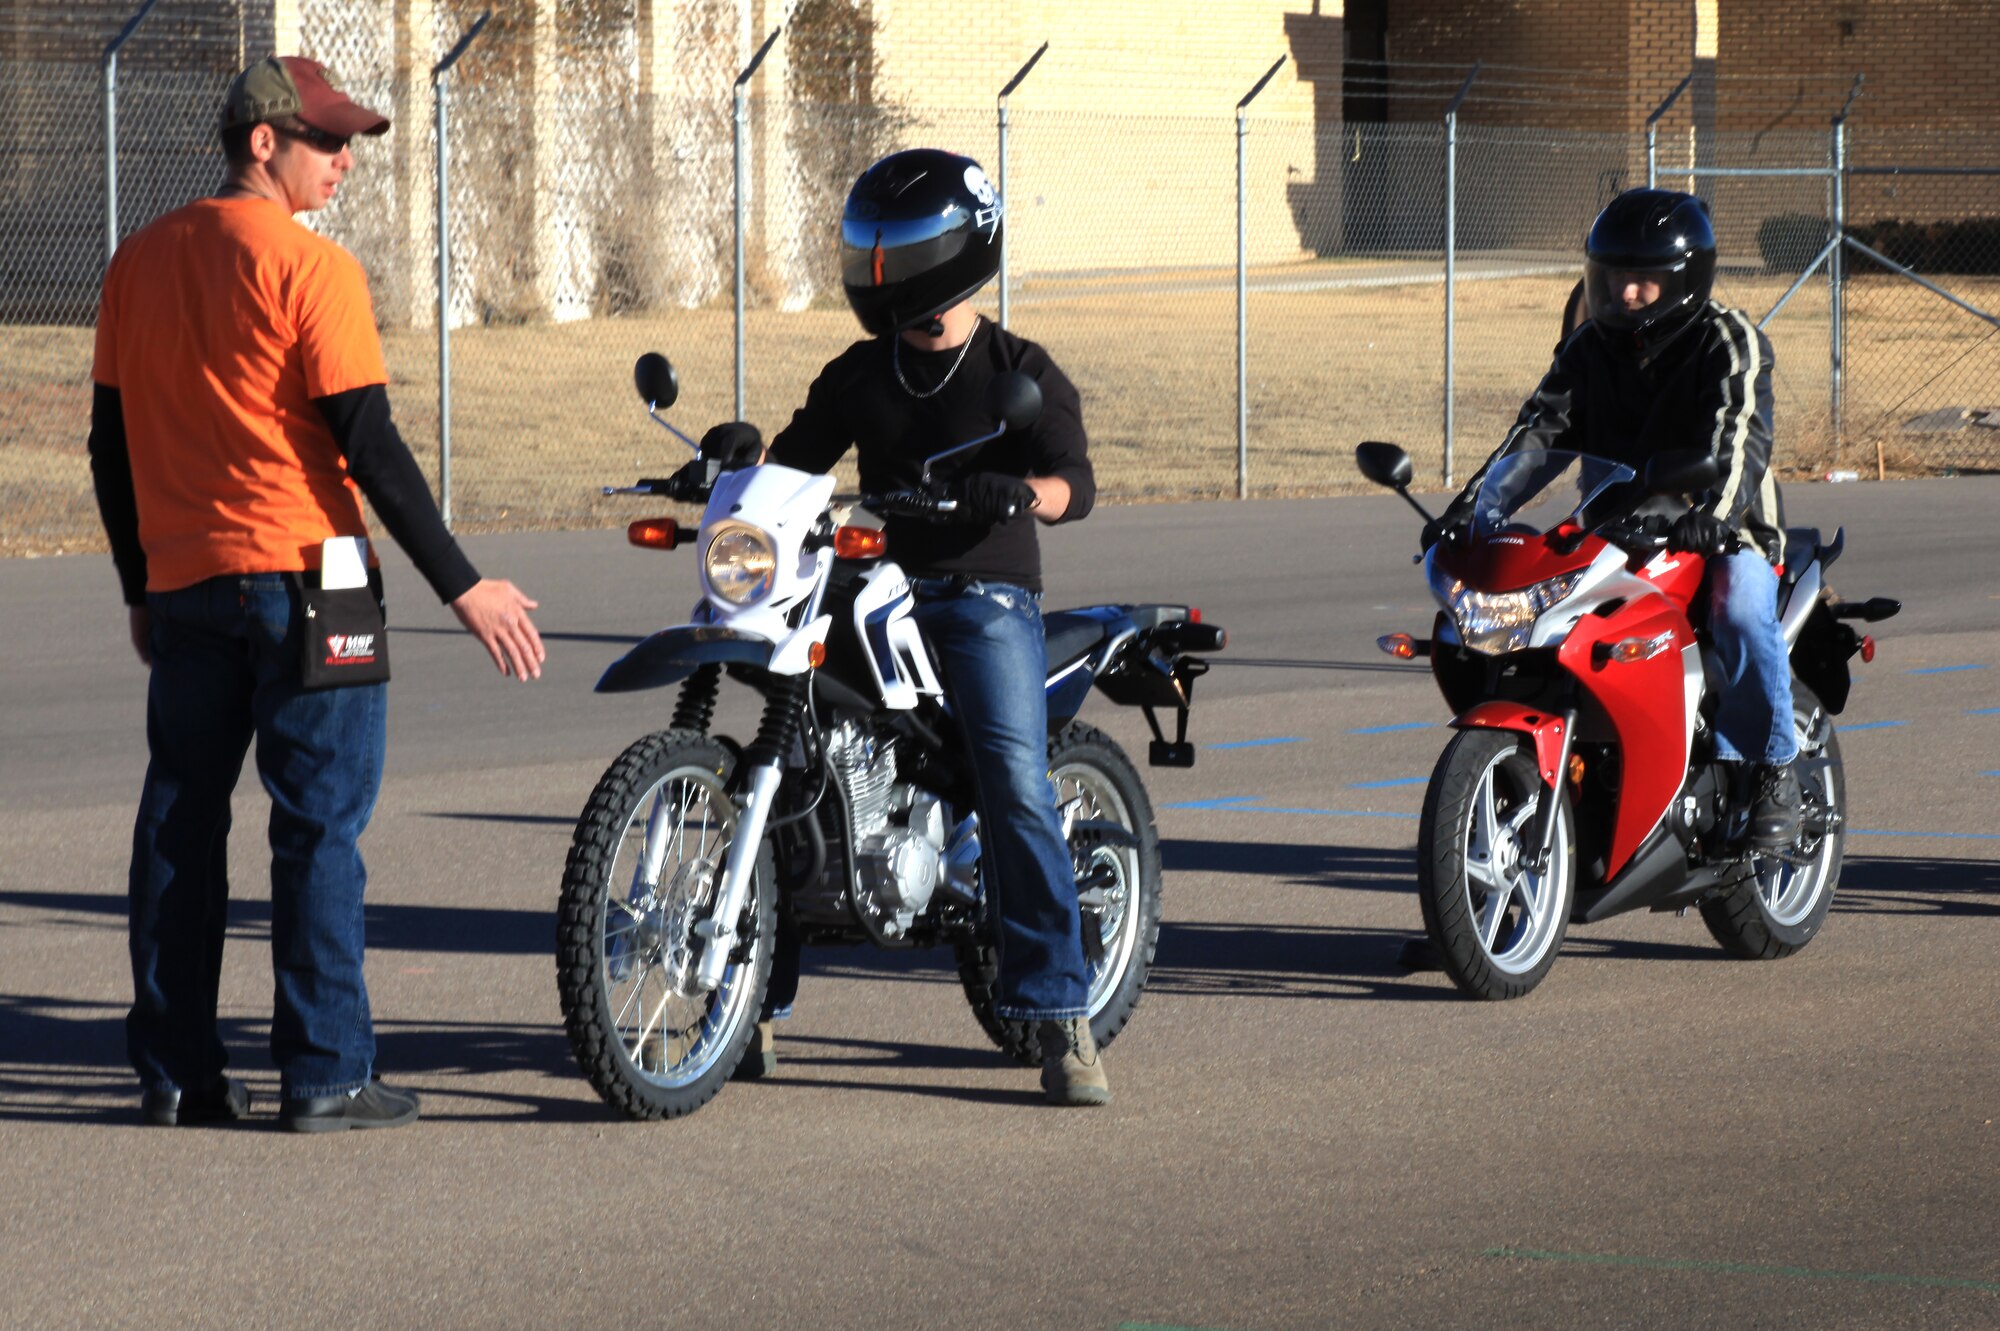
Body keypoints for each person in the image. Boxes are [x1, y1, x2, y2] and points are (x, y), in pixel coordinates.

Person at [88, 55, 546, 1132]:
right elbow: (368, 444)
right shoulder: (312, 268)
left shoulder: (137, 262)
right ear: (263, 142)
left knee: (179, 824)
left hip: (192, 579)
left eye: (350, 143)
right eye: (326, 141)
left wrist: (139, 582)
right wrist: (464, 586)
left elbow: (109, 447)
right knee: (319, 828)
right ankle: (327, 1071)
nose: (345, 162)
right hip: (316, 575)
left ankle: (174, 1071)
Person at [695, 148, 1107, 1106]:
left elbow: (1076, 484)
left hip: (980, 592)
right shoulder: (860, 372)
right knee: (791, 755)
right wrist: (729, 467)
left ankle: (1059, 1011)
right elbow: (795, 464)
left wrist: (1026, 492)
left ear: (960, 249)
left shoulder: (1019, 372)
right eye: (871, 248)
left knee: (1011, 773)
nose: (880, 268)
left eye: (904, 248)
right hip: (867, 579)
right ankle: (751, 996)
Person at [1426, 187, 1799, 847]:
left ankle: (1772, 769)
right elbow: (1535, 436)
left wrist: (1709, 516)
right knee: (1527, 613)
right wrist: (1471, 509)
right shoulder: (1587, 350)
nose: (1627, 293)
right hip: (1611, 530)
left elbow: (1739, 442)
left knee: (1738, 606)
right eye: (1616, 276)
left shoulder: (1729, 339)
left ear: (1683, 281)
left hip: (1718, 527)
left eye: (1645, 281)